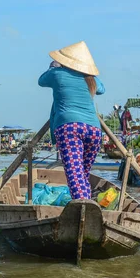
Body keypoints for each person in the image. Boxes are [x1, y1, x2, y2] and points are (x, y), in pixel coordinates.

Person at [38, 41, 105, 200]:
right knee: (82, 174)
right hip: (94, 131)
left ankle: (82, 207)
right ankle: (86, 203)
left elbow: (41, 81)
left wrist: (53, 67)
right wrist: (89, 74)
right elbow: (102, 89)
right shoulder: (90, 78)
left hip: (70, 128)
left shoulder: (57, 73)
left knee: (75, 176)